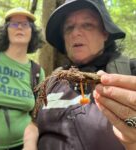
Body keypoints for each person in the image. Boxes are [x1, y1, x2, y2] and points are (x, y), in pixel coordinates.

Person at [23, 0, 136, 150]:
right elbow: (33, 124)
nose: (75, 32)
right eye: (69, 28)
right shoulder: (54, 79)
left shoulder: (129, 72)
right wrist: (29, 145)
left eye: (87, 24)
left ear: (105, 34)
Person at [0, 7, 45, 149]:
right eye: (14, 24)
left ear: (32, 32)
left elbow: (38, 116)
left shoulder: (37, 72)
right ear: (6, 30)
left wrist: (30, 143)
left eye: (25, 24)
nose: (19, 27)